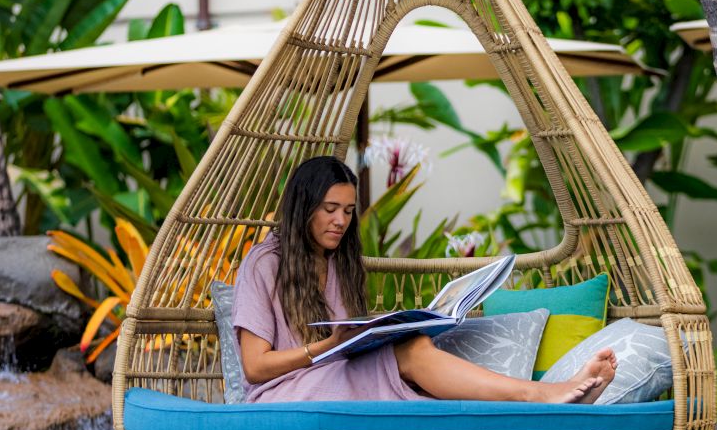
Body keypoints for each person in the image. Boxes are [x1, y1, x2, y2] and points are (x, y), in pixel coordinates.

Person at [234, 155, 617, 404]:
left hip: (333, 378)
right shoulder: (265, 262)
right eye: (330, 209)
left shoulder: (339, 261)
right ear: (304, 207)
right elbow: (254, 367)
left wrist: (377, 331)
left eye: (349, 211)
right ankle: (542, 396)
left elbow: (346, 345)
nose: (341, 221)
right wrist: (327, 345)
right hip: (283, 392)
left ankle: (546, 405)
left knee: (418, 355)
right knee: (413, 355)